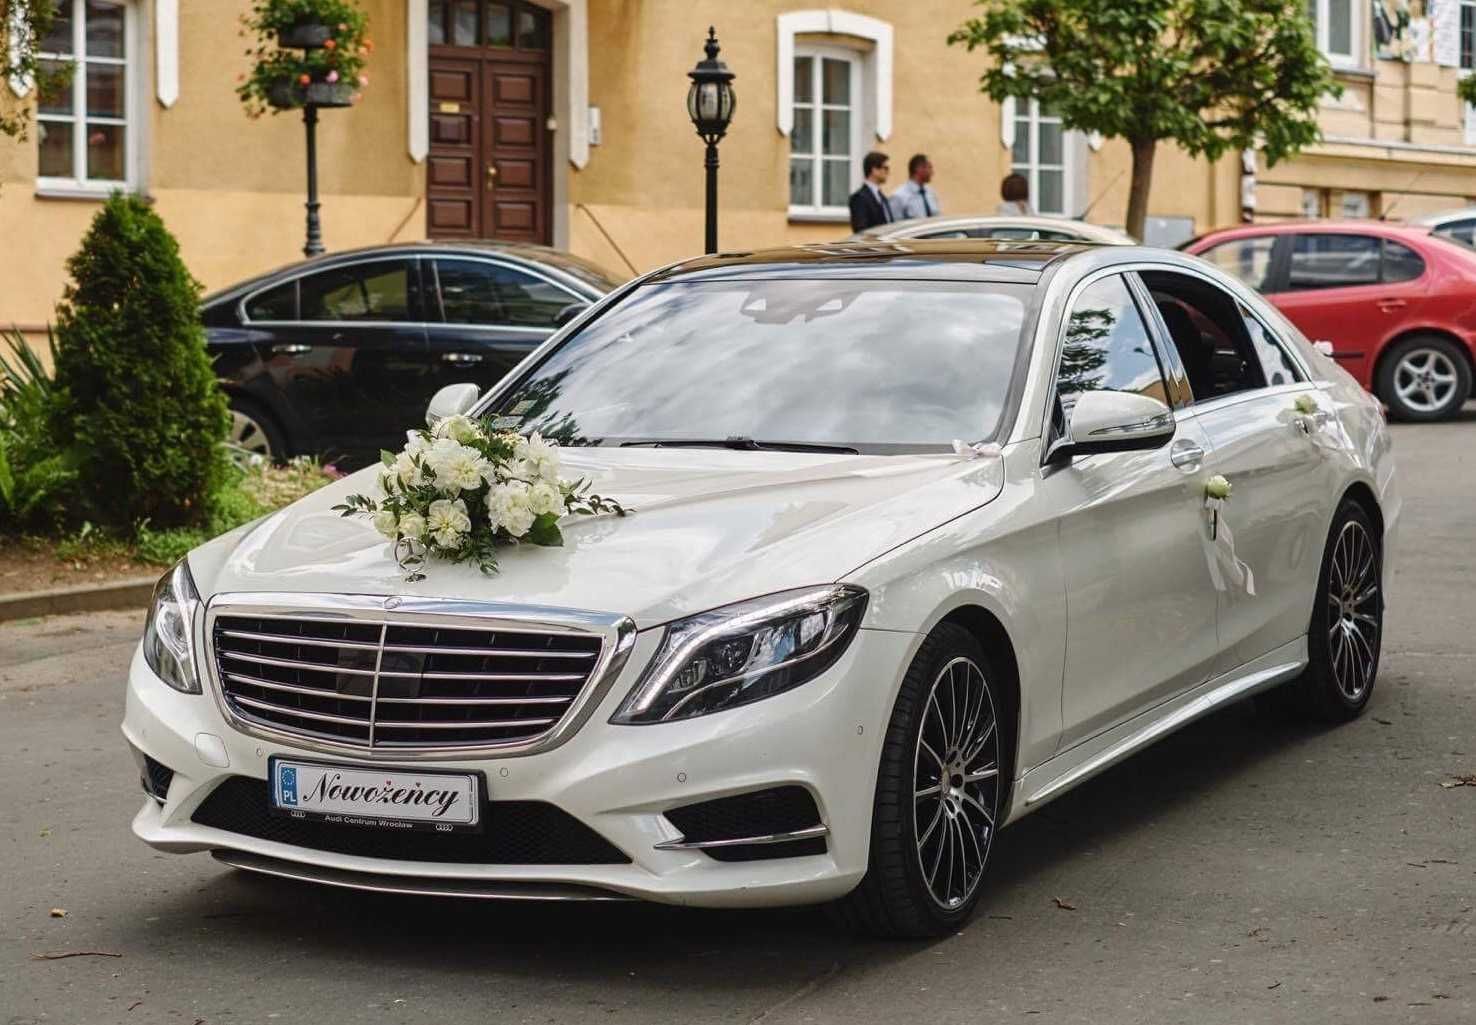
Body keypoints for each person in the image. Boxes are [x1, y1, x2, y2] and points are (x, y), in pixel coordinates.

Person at [848, 151, 893, 232]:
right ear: (874, 170)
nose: (888, 172)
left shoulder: (882, 197)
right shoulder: (859, 198)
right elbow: (861, 231)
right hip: (872, 244)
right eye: (885, 168)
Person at [889, 153, 941, 220]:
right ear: (918, 169)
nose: (932, 172)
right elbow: (895, 227)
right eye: (930, 167)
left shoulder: (931, 193)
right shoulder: (898, 197)